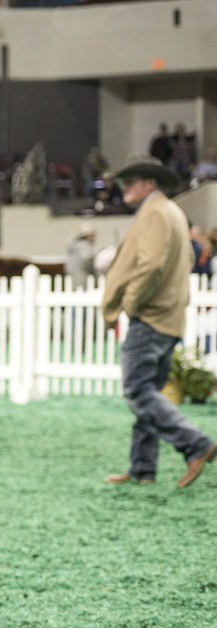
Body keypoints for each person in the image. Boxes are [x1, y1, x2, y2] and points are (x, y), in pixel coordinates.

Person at [101, 156, 217, 488]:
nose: (125, 187)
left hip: (150, 317)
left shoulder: (154, 214)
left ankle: (195, 444)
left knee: (137, 392)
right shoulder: (173, 212)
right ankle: (143, 469)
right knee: (149, 391)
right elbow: (189, 259)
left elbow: (151, 265)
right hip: (169, 316)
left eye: (131, 181)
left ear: (148, 184)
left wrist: (132, 302)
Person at [64, 224, 98, 289]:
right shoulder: (84, 247)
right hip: (82, 277)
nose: (94, 238)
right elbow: (87, 260)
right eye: (92, 236)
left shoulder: (74, 247)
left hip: (70, 276)